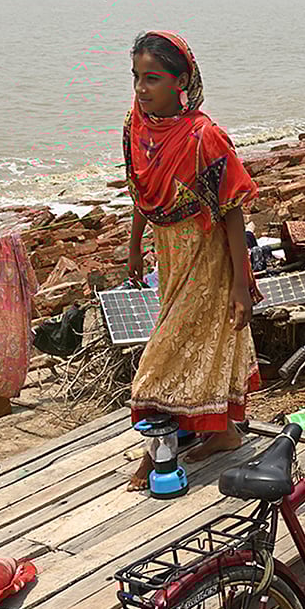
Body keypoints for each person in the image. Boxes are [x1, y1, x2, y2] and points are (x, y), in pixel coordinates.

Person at [123, 31, 261, 491]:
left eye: (153, 79)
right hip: (168, 254)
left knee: (162, 355)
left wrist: (242, 285)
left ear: (180, 81)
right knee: (193, 342)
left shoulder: (205, 137)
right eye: (137, 78)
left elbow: (232, 211)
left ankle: (153, 456)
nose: (142, 89)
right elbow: (142, 194)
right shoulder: (135, 128)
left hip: (206, 253)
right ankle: (223, 433)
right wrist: (133, 245)